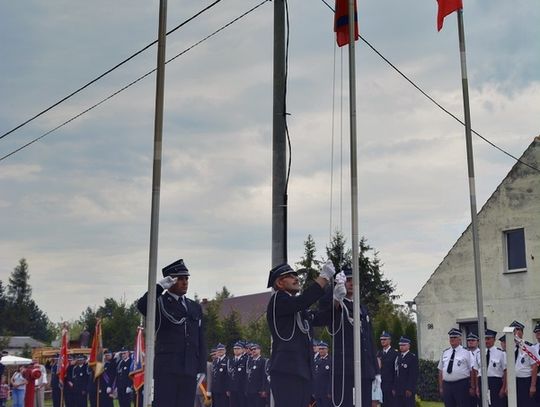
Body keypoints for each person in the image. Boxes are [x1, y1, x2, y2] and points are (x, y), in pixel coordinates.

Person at [137, 258, 206, 407]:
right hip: (167, 369)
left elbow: (200, 339)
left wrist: (201, 368)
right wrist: (159, 287)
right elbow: (142, 305)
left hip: (189, 369)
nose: (185, 282)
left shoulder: (194, 307)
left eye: (186, 278)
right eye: (180, 279)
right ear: (171, 281)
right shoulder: (159, 302)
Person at [266, 261, 334, 407]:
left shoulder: (297, 309)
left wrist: (336, 298)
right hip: (287, 372)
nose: (296, 279)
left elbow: (321, 318)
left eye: (296, 275)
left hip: (302, 371)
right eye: (290, 276)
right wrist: (323, 278)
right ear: (279, 282)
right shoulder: (279, 299)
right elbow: (303, 301)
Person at [317, 265, 379, 407]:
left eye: (353, 280)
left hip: (364, 369)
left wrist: (375, 370)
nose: (351, 283)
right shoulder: (338, 304)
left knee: (364, 403)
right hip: (345, 369)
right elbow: (324, 310)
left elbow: (369, 340)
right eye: (348, 280)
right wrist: (334, 290)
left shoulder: (362, 308)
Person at [438, 328, 477, 407]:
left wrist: (472, 387)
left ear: (460, 339)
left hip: (461, 384)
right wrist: (441, 387)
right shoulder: (445, 352)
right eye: (451, 338)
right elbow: (441, 371)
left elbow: (472, 370)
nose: (452, 339)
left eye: (454, 337)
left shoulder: (467, 352)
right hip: (447, 385)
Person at [476, 329, 506, 407]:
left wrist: (504, 387)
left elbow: (506, 371)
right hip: (481, 381)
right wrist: (477, 387)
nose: (486, 341)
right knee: (482, 404)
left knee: (496, 404)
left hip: (495, 382)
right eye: (485, 339)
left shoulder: (500, 353)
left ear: (494, 340)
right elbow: (476, 371)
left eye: (488, 339)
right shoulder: (479, 353)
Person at [510, 320, 537, 407]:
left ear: (522, 332)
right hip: (513, 381)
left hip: (525, 381)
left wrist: (533, 385)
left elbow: (535, 366)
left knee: (526, 404)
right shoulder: (510, 347)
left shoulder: (529, 347)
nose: (515, 333)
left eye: (518, 330)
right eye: (513, 331)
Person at [392, 336, 418, 407]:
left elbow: (413, 375)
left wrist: (409, 388)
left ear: (408, 346)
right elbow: (396, 373)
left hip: (407, 389)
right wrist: (394, 387)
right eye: (400, 345)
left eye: (403, 345)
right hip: (398, 389)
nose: (401, 347)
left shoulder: (412, 357)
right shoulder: (398, 357)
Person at [378, 331, 398, 407]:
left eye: (385, 339)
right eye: (381, 339)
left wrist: (395, 387)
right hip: (381, 385)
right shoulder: (378, 353)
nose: (382, 341)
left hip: (390, 385)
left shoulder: (395, 354)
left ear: (389, 340)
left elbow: (396, 372)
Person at [313, 341, 332, 407]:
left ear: (327, 349)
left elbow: (331, 378)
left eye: (323, 349)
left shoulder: (330, 360)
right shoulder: (317, 360)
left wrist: (330, 391)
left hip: (326, 392)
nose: (321, 350)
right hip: (317, 391)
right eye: (320, 349)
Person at [228, 342, 247, 407]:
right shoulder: (230, 360)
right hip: (232, 388)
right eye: (235, 349)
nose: (236, 350)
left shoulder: (245, 359)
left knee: (241, 404)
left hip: (241, 388)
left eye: (238, 348)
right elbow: (229, 375)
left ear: (242, 350)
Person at [465, 332, 480, 407]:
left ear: (478, 341)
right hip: (466, 381)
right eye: (469, 340)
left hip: (478, 381)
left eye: (473, 340)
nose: (470, 342)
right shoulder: (464, 353)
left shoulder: (481, 353)